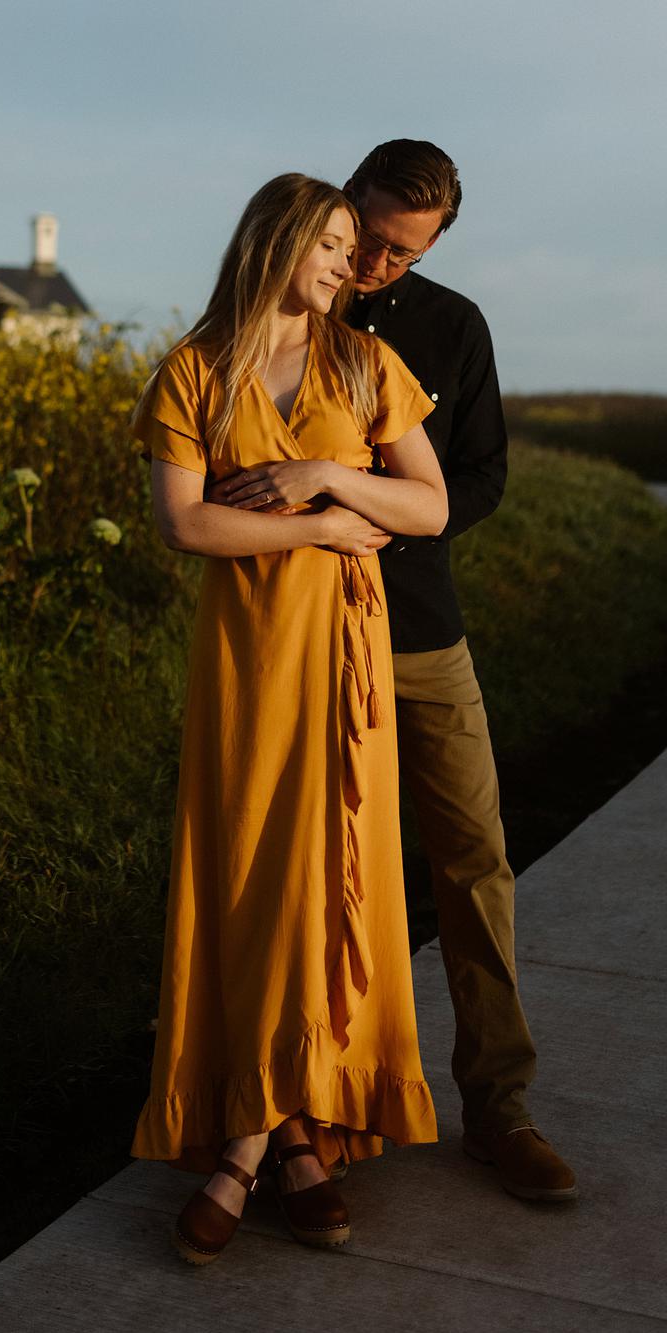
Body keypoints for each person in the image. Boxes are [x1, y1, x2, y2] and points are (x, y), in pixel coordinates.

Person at [130, 173, 446, 1264]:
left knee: (326, 881)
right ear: (273, 244)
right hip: (245, 663)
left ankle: (251, 1148)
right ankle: (293, 1134)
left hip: (342, 663)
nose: (343, 263)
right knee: (251, 878)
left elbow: (430, 504)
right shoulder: (195, 368)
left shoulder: (363, 364)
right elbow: (184, 523)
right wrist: (317, 531)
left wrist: (323, 472)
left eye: (351, 245)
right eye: (327, 243)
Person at [341, 137, 578, 1203]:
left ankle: (499, 1105)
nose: (377, 267)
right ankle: (316, 1113)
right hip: (305, 640)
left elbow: (482, 475)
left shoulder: (455, 324)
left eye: (404, 253)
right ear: (346, 199)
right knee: (327, 879)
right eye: (372, 239)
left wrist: (397, 523)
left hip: (426, 633)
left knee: (475, 864)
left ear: (432, 241)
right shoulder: (283, 306)